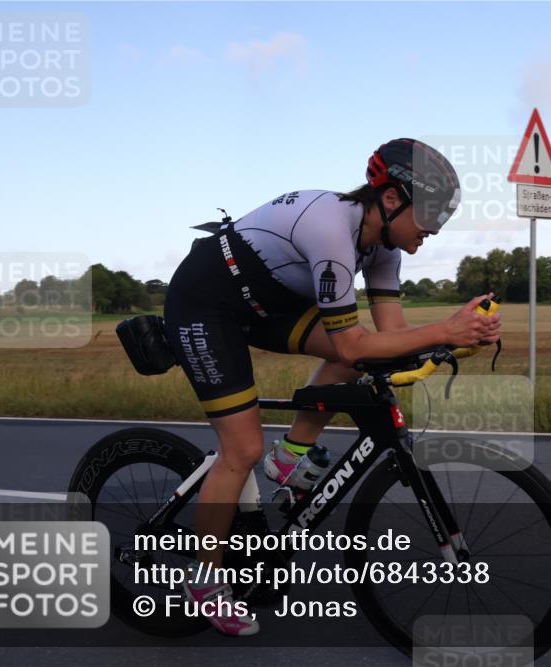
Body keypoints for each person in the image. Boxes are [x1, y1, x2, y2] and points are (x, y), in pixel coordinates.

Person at [163, 138, 501, 635]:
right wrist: (444, 331)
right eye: (431, 214)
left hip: (268, 306)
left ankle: (290, 454)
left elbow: (391, 338)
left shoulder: (384, 248)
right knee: (242, 448)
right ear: (391, 199)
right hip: (205, 305)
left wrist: (458, 338)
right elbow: (350, 345)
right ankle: (204, 580)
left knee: (364, 358)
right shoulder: (331, 230)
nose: (434, 229)